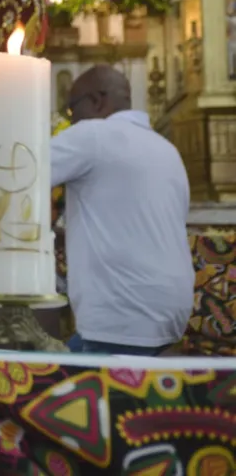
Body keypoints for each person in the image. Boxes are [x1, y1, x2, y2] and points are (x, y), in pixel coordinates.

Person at [53, 65, 193, 355]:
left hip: (121, 314)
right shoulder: (167, 149)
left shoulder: (93, 134)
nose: (71, 120)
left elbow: (15, 172)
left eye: (71, 110)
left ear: (96, 100)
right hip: (171, 317)